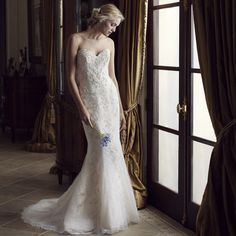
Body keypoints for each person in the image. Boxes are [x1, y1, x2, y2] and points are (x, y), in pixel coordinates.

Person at [21, 3, 139, 235]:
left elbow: (112, 77)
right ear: (101, 18)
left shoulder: (110, 44)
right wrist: (82, 108)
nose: (114, 29)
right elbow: (71, 78)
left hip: (109, 103)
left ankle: (111, 210)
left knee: (112, 153)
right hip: (90, 105)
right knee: (99, 151)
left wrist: (121, 109)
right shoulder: (76, 39)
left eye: (116, 25)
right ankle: (90, 209)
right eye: (112, 23)